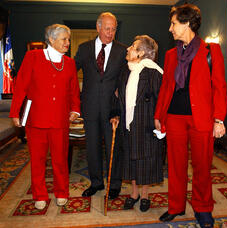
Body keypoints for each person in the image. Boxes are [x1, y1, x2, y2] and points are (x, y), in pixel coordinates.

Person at [154, 4, 227, 227]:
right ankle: (175, 206)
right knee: (175, 165)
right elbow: (166, 87)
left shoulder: (210, 51)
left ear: (187, 23)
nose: (170, 28)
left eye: (174, 23)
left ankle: (203, 208)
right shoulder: (170, 54)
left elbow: (219, 87)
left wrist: (219, 119)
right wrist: (159, 114)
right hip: (174, 116)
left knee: (202, 166)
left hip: (201, 118)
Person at [9, 24, 81, 210]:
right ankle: (39, 194)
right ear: (51, 39)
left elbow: (74, 91)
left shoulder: (70, 63)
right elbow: (21, 86)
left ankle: (61, 192)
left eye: (68, 39)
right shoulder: (33, 57)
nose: (67, 42)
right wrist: (15, 111)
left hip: (60, 120)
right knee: (38, 160)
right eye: (64, 39)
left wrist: (75, 109)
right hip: (36, 119)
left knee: (60, 159)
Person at [75, 12, 127, 199]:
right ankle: (96, 182)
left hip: (112, 109)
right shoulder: (84, 48)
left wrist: (119, 103)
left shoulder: (122, 51)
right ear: (98, 27)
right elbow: (71, 72)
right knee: (92, 147)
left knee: (114, 148)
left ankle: (114, 184)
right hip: (89, 107)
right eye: (107, 28)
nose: (110, 32)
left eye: (114, 29)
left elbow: (126, 78)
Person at [110, 35, 163, 212]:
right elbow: (118, 96)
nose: (128, 49)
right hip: (128, 124)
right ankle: (134, 194)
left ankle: (145, 195)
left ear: (140, 53)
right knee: (131, 159)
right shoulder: (125, 70)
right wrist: (116, 114)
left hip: (146, 125)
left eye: (133, 47)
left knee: (145, 160)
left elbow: (161, 100)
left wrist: (159, 121)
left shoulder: (153, 72)